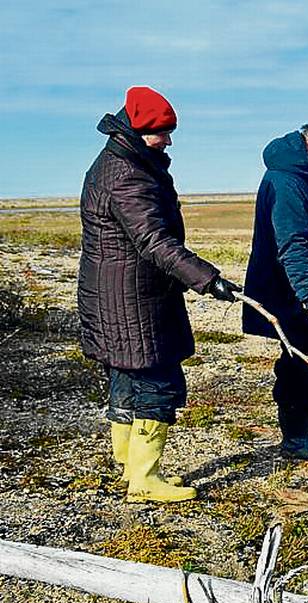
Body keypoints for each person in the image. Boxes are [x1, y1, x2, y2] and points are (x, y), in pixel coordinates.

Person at [78, 86, 241, 504]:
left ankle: (127, 463)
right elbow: (155, 242)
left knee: (127, 373)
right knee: (155, 379)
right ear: (139, 129)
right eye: (162, 132)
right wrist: (207, 279)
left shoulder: (121, 162)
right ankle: (145, 478)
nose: (168, 140)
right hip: (133, 297)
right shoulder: (127, 174)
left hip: (117, 293)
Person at [242, 120, 308, 461]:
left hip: (303, 288)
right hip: (291, 293)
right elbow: (293, 244)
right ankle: (295, 436)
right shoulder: (288, 180)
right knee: (297, 360)